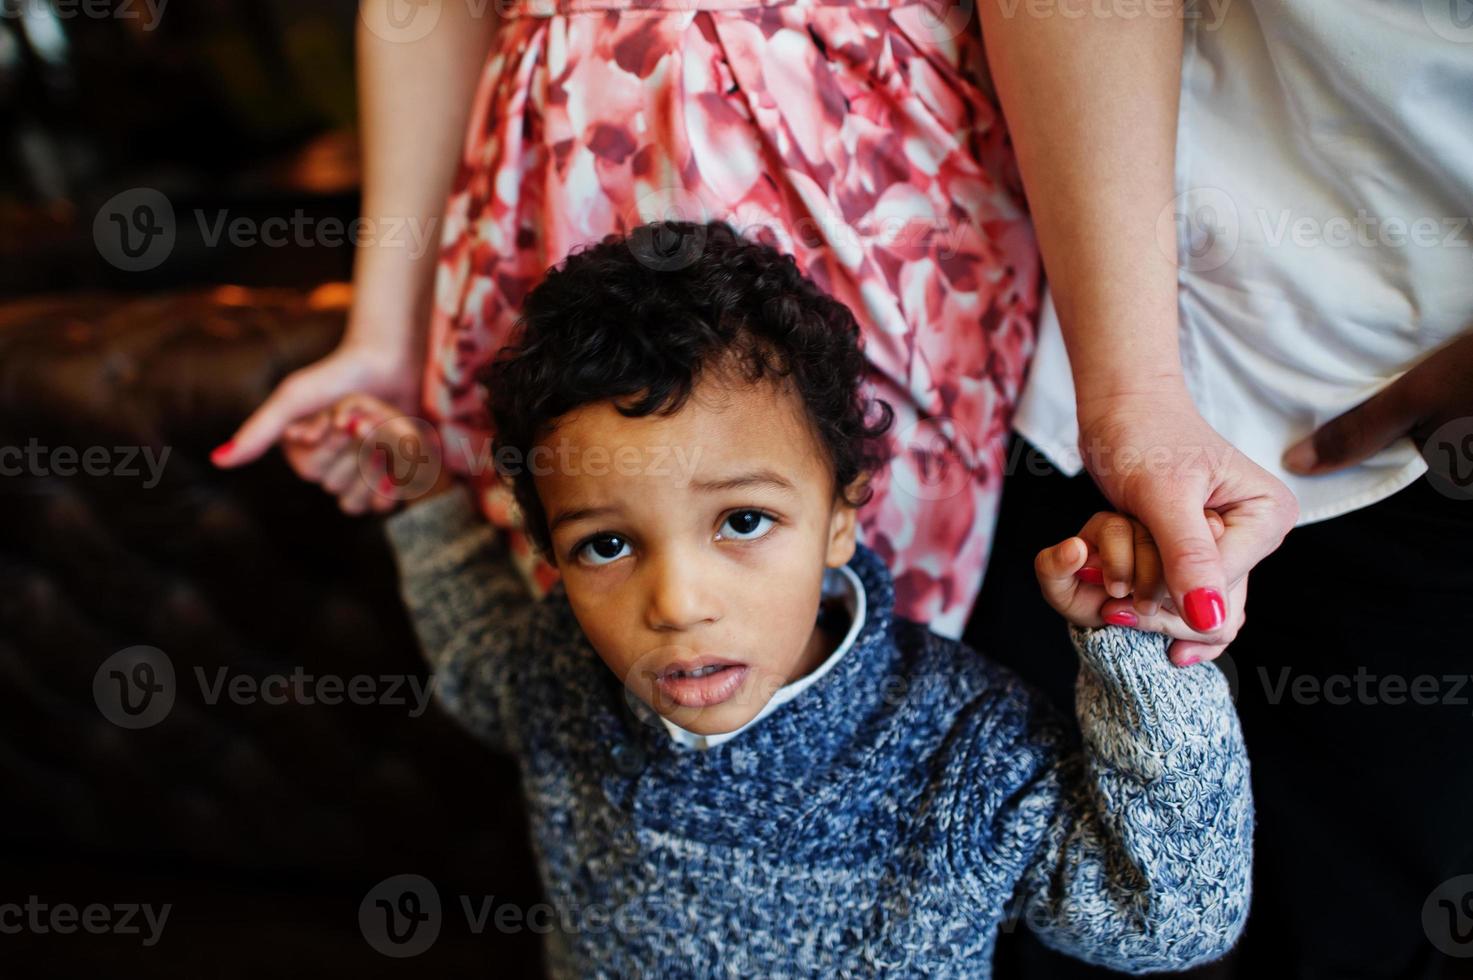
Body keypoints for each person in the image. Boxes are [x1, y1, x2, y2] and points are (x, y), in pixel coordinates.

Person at [315, 222, 1251, 976]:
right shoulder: (560, 671)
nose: (676, 602)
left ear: (843, 515)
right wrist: (421, 494)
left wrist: (1138, 650)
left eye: (744, 522)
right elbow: (480, 661)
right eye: (605, 544)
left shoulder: (964, 751)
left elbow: (1166, 920)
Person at [212, 0, 1041, 641]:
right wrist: (384, 333)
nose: (680, 606)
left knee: (885, 660)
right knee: (592, 623)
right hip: (542, 175)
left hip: (863, 171)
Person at [972, 3, 1473, 977]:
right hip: (1110, 274)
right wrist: (1131, 396)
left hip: (1437, 487)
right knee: (1010, 898)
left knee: (1346, 920)